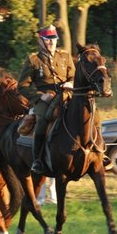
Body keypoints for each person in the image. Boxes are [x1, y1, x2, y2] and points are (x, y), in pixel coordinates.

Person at [17, 24, 75, 174]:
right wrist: (39, 96)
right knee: (42, 119)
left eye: (53, 39)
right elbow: (22, 86)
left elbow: (74, 76)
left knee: (87, 111)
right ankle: (37, 159)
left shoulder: (65, 56)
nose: (51, 42)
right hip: (45, 100)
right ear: (41, 41)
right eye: (47, 40)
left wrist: (71, 83)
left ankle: (97, 149)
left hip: (66, 95)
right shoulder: (33, 60)